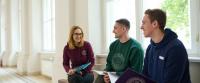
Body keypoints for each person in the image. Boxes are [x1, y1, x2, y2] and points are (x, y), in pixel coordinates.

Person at [141, 9, 191, 83]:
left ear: (154, 24)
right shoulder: (150, 48)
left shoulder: (176, 48)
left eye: (144, 23)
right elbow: (144, 76)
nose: (141, 27)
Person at [95, 18, 144, 83]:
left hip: (127, 78)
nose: (113, 31)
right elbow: (109, 63)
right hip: (113, 75)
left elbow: (135, 73)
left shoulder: (136, 48)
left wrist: (115, 75)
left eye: (115, 28)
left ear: (124, 29)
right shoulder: (113, 45)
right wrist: (106, 73)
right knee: (100, 79)